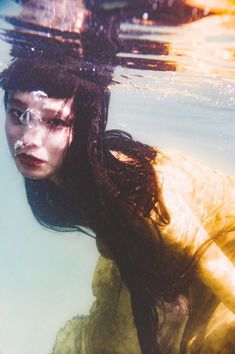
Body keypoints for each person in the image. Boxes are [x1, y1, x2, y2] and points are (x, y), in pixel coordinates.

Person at [1, 58, 235, 354]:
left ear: (83, 123)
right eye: (18, 114)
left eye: (55, 122)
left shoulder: (140, 200)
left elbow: (213, 264)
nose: (29, 140)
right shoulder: (58, 175)